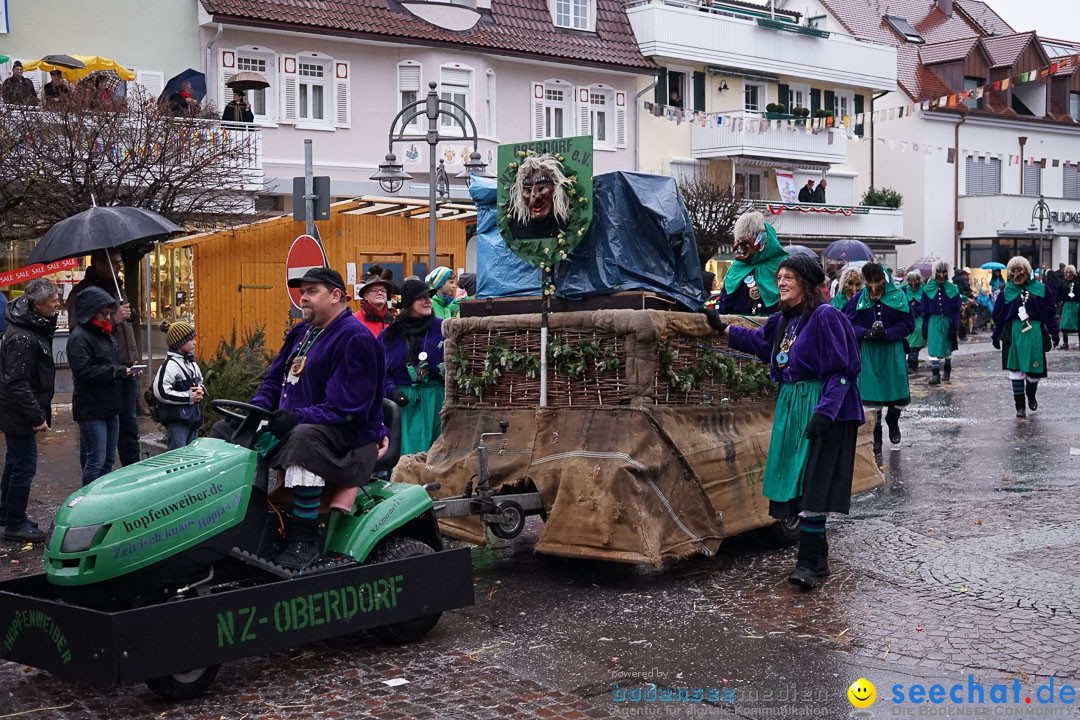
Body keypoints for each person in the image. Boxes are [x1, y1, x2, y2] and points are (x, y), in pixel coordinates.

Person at [704, 254, 863, 591]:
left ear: (805, 282)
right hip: (792, 405)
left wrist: (825, 411)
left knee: (813, 482)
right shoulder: (783, 321)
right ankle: (818, 561)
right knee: (797, 482)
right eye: (779, 277)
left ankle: (807, 563)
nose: (781, 282)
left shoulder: (826, 316)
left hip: (823, 405)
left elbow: (843, 369)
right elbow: (760, 345)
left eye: (789, 277)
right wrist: (722, 328)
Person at [240, 267, 388, 570]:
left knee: (303, 438)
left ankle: (304, 539)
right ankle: (243, 523)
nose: (303, 298)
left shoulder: (354, 338)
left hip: (348, 436)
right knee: (228, 431)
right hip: (304, 423)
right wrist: (254, 411)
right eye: (302, 292)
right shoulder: (302, 332)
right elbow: (274, 380)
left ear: (336, 296)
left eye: (311, 291)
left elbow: (348, 407)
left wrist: (296, 417)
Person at [0, 280, 61, 542]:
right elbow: (16, 381)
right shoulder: (23, 336)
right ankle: (14, 523)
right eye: (53, 302)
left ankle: (8, 514)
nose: (57, 305)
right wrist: (36, 417)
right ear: (37, 304)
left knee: (15, 462)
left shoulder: (30, 325)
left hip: (17, 409)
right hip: (19, 412)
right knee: (24, 465)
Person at [69, 250, 142, 467]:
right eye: (115, 263)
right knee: (97, 440)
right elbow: (79, 330)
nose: (120, 266)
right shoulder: (82, 294)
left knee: (128, 426)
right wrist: (116, 319)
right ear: (100, 264)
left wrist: (132, 314)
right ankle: (93, 482)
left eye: (120, 262)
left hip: (125, 367)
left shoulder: (118, 288)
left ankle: (131, 473)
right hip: (102, 375)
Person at [843, 264, 914, 453]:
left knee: (895, 391)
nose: (874, 289)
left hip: (893, 351)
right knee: (872, 397)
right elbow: (848, 324)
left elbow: (908, 324)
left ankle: (893, 420)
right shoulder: (859, 299)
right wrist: (866, 333)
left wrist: (888, 333)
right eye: (870, 284)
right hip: (868, 352)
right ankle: (876, 432)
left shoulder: (898, 297)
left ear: (885, 281)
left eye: (878, 284)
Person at [381, 277, 445, 457]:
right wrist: (391, 391)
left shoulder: (442, 328)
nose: (427, 301)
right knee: (409, 456)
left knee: (437, 456)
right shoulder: (389, 335)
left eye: (429, 296)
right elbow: (379, 372)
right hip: (406, 404)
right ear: (409, 303)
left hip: (437, 400)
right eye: (421, 297)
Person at [991, 256, 1059, 418]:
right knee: (1015, 372)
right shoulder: (1005, 291)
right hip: (1013, 334)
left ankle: (1031, 393)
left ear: (1027, 271)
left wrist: (1054, 332)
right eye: (1013, 271)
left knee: (1034, 374)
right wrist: (995, 335)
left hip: (1035, 333)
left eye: (1020, 270)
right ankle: (1019, 406)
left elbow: (1050, 314)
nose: (1016, 274)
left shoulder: (1041, 289)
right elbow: (999, 315)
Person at [713, 211, 788, 316]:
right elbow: (724, 307)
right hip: (739, 327)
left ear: (762, 240)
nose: (742, 249)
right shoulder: (736, 268)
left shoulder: (784, 267)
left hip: (774, 328)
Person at [152, 321, 205, 450]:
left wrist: (200, 390)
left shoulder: (191, 362)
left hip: (192, 419)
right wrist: (188, 396)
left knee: (191, 457)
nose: (195, 342)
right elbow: (161, 391)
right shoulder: (170, 365)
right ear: (180, 342)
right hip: (177, 420)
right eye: (191, 339)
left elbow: (200, 380)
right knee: (177, 457)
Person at [920, 260, 962, 386]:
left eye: (944, 272)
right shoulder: (927, 289)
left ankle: (947, 368)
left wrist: (955, 325)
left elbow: (956, 309)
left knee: (947, 347)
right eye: (939, 272)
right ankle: (935, 374)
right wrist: (925, 326)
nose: (942, 275)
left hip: (948, 322)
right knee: (934, 347)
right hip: (934, 321)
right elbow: (924, 309)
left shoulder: (953, 289)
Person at [903, 270, 926, 372]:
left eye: (915, 280)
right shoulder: (904, 290)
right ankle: (908, 362)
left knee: (917, 333)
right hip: (907, 318)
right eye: (911, 281)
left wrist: (918, 309)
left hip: (919, 319)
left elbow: (926, 305)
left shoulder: (924, 290)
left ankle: (913, 363)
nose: (913, 283)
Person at [1059, 265, 1078, 350]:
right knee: (1064, 324)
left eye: (1070, 272)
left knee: (1078, 323)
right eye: (1067, 272)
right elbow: (1060, 293)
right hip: (1066, 305)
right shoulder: (1064, 282)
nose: (1068, 274)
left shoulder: (1078, 282)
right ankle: (1065, 343)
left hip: (1076, 305)